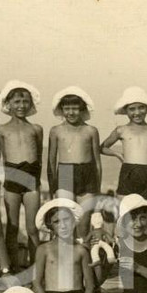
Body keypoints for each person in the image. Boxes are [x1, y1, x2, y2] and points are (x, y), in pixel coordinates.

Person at [0, 80, 44, 270]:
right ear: (8, 104)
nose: (21, 106)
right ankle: (13, 267)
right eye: (17, 102)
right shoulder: (1, 130)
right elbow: (4, 156)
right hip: (12, 179)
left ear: (31, 104)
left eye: (25, 102)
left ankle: (36, 267)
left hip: (31, 179)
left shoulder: (36, 129)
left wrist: (36, 181)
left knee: (33, 227)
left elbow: (39, 156)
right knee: (12, 227)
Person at [100, 86, 147, 203]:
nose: (137, 112)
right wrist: (117, 154)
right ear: (125, 111)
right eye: (132, 109)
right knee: (124, 205)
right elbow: (103, 148)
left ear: (146, 108)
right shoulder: (121, 130)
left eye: (141, 108)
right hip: (128, 170)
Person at [48, 86, 102, 237]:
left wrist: (97, 189)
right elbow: (51, 161)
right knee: (65, 218)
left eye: (75, 108)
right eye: (67, 108)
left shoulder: (91, 131)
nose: (71, 113)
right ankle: (65, 257)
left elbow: (97, 162)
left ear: (83, 109)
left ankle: (82, 257)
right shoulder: (55, 130)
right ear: (61, 110)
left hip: (88, 173)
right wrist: (53, 188)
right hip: (65, 172)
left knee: (84, 222)